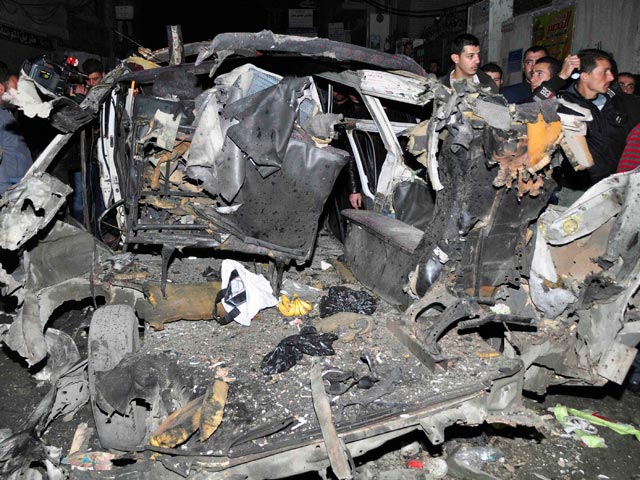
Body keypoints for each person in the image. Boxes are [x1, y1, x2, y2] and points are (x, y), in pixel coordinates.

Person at [559, 49, 636, 185]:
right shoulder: (562, 105)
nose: (611, 77)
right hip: (578, 190)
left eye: (610, 71)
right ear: (585, 77)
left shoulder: (619, 103)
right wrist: (560, 77)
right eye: (604, 72)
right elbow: (526, 110)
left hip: (618, 187)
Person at [0, 61, 33, 195]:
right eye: (15, 90)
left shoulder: (6, 112)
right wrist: (6, 192)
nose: (19, 94)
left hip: (20, 182)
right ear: (1, 89)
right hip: (11, 186)